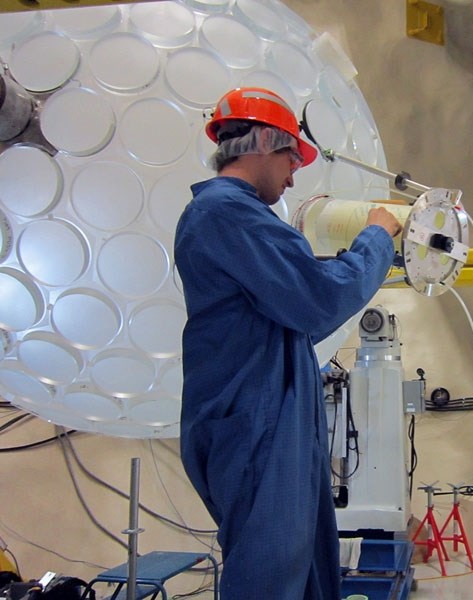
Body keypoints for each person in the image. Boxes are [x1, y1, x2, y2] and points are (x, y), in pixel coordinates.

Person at [174, 87, 402, 599]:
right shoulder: (225, 213)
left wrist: (346, 270)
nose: (294, 175)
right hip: (257, 425)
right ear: (261, 143)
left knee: (308, 570)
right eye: (291, 157)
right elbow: (320, 300)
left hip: (272, 419)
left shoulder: (239, 219)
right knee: (269, 575)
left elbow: (300, 318)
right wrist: (376, 239)